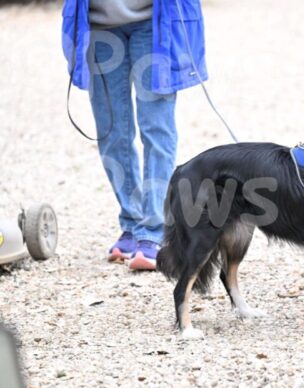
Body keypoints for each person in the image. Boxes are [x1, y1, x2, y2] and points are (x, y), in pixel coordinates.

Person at [61, 0, 208, 270]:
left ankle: (154, 230)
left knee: (157, 128)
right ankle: (131, 222)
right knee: (111, 133)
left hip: (154, 24)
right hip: (99, 27)